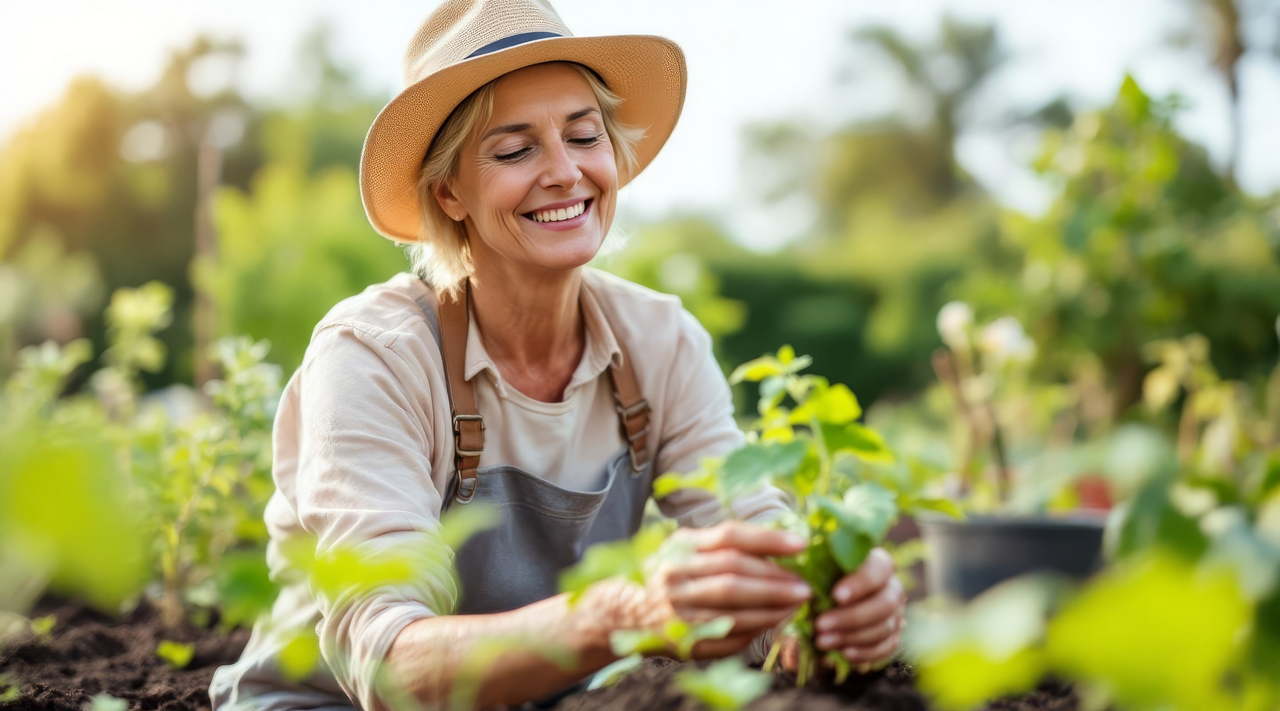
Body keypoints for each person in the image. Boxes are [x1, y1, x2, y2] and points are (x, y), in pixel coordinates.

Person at [210, 0, 905, 709]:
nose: (566, 172)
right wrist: (620, 612)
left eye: (584, 135)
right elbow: (388, 662)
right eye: (515, 150)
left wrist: (826, 601)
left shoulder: (659, 341)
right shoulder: (374, 356)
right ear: (450, 190)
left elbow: (751, 527)